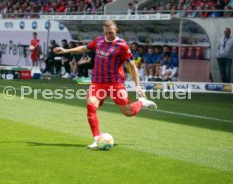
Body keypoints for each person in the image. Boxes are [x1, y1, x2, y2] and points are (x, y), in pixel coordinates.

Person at [54, 20, 157, 149]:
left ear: (116, 30)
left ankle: (142, 102)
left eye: (111, 32)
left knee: (128, 112)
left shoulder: (122, 46)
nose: (108, 35)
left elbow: (132, 66)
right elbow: (84, 48)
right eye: (106, 33)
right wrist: (65, 50)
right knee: (91, 106)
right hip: (97, 83)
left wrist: (138, 86)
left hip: (115, 84)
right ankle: (96, 139)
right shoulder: (99, 41)